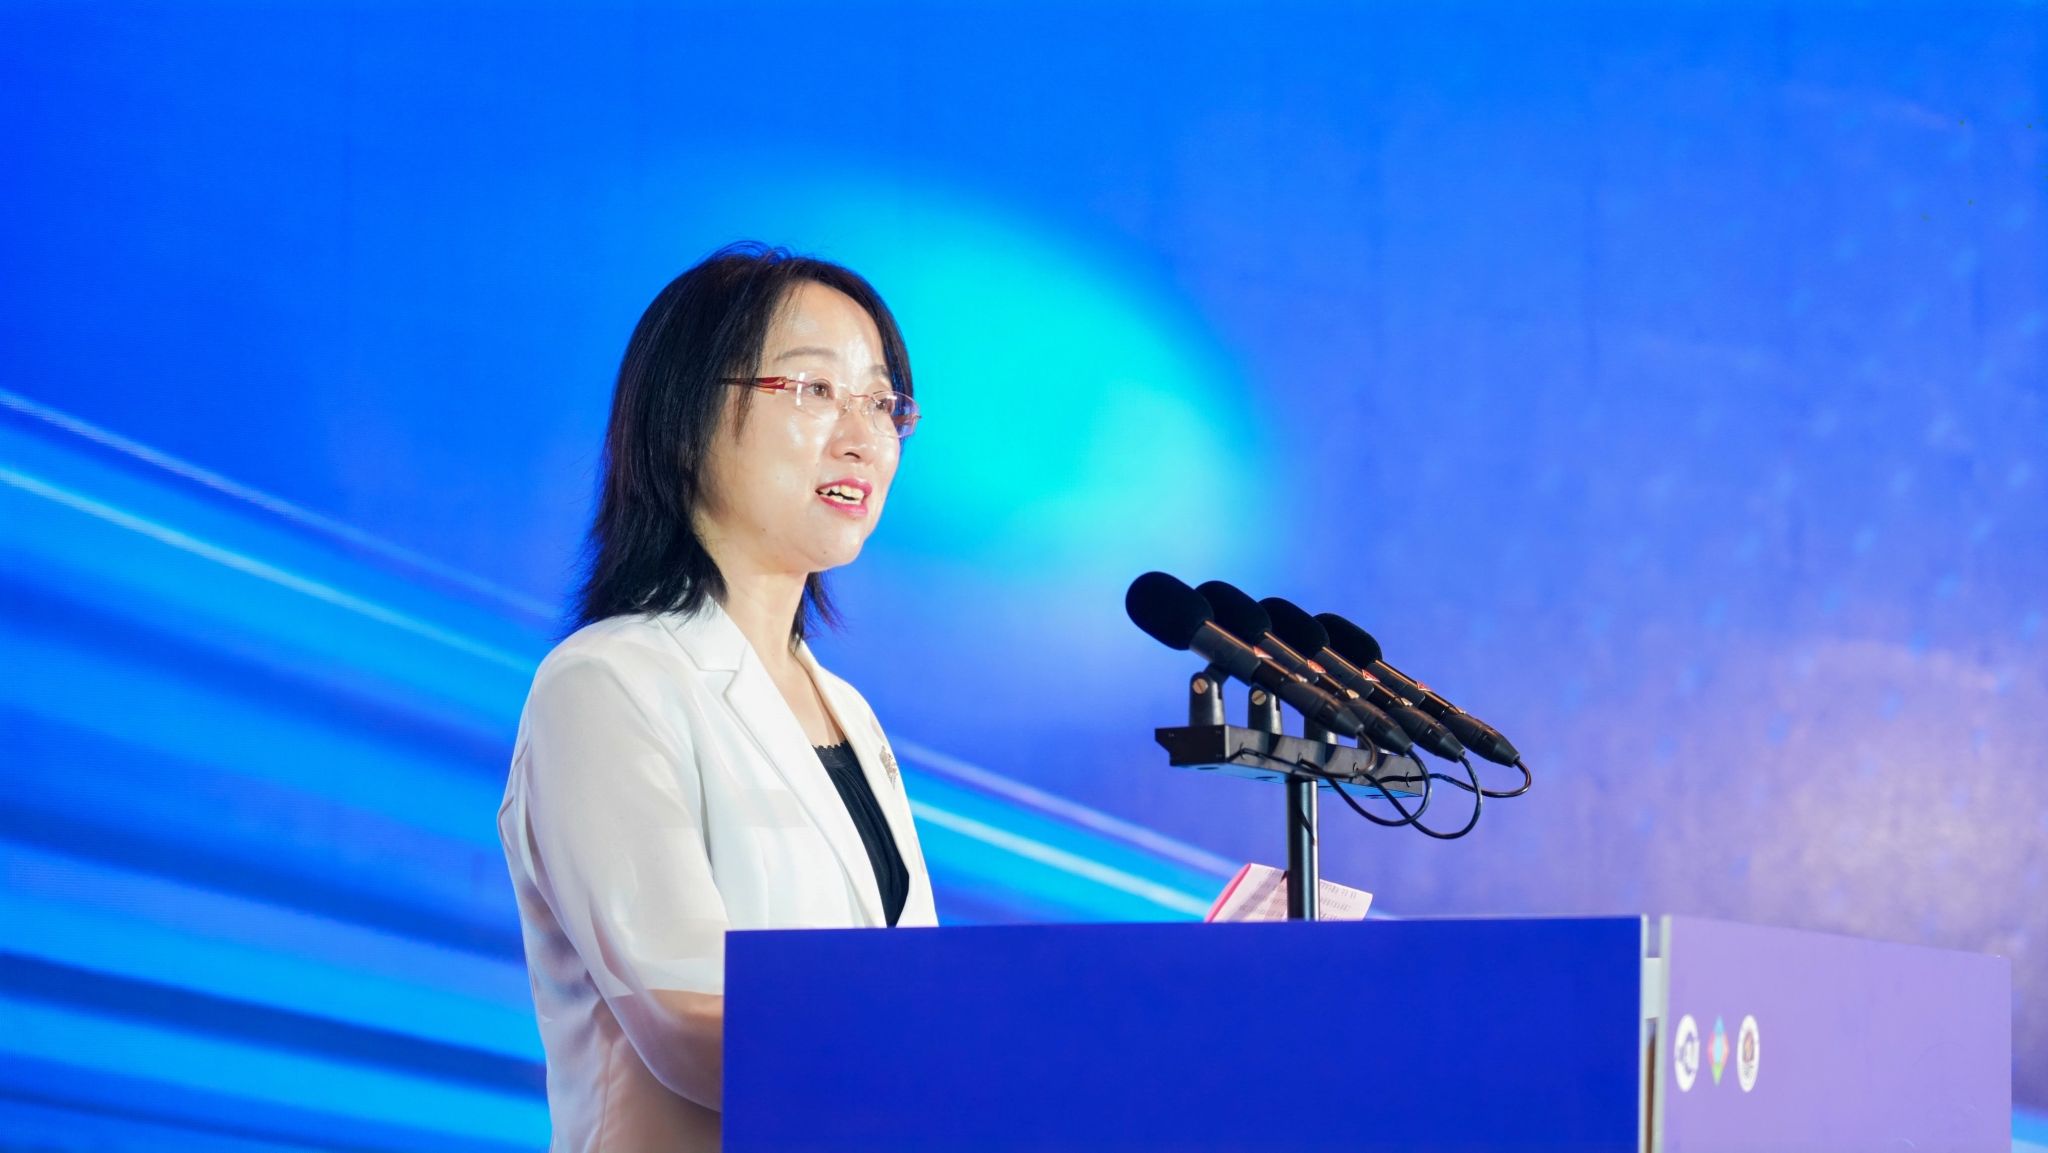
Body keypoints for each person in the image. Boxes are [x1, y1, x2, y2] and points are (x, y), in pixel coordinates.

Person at [497, 243, 938, 1151]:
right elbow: (692, 1023)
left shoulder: (849, 713)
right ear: (686, 415)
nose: (862, 436)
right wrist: (988, 1051)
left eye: (882, 401)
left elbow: (915, 989)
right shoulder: (606, 683)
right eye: (815, 389)